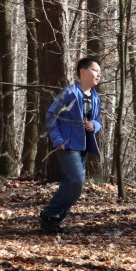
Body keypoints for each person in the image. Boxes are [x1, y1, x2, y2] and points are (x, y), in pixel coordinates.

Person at [40, 57, 103, 234]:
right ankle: (49, 213)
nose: (98, 75)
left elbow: (97, 120)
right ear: (82, 71)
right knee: (76, 181)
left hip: (83, 145)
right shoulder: (69, 93)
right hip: (67, 145)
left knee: (74, 185)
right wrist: (57, 140)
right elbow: (52, 115)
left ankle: (54, 219)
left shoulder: (96, 97)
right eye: (95, 70)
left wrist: (94, 125)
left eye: (99, 72)